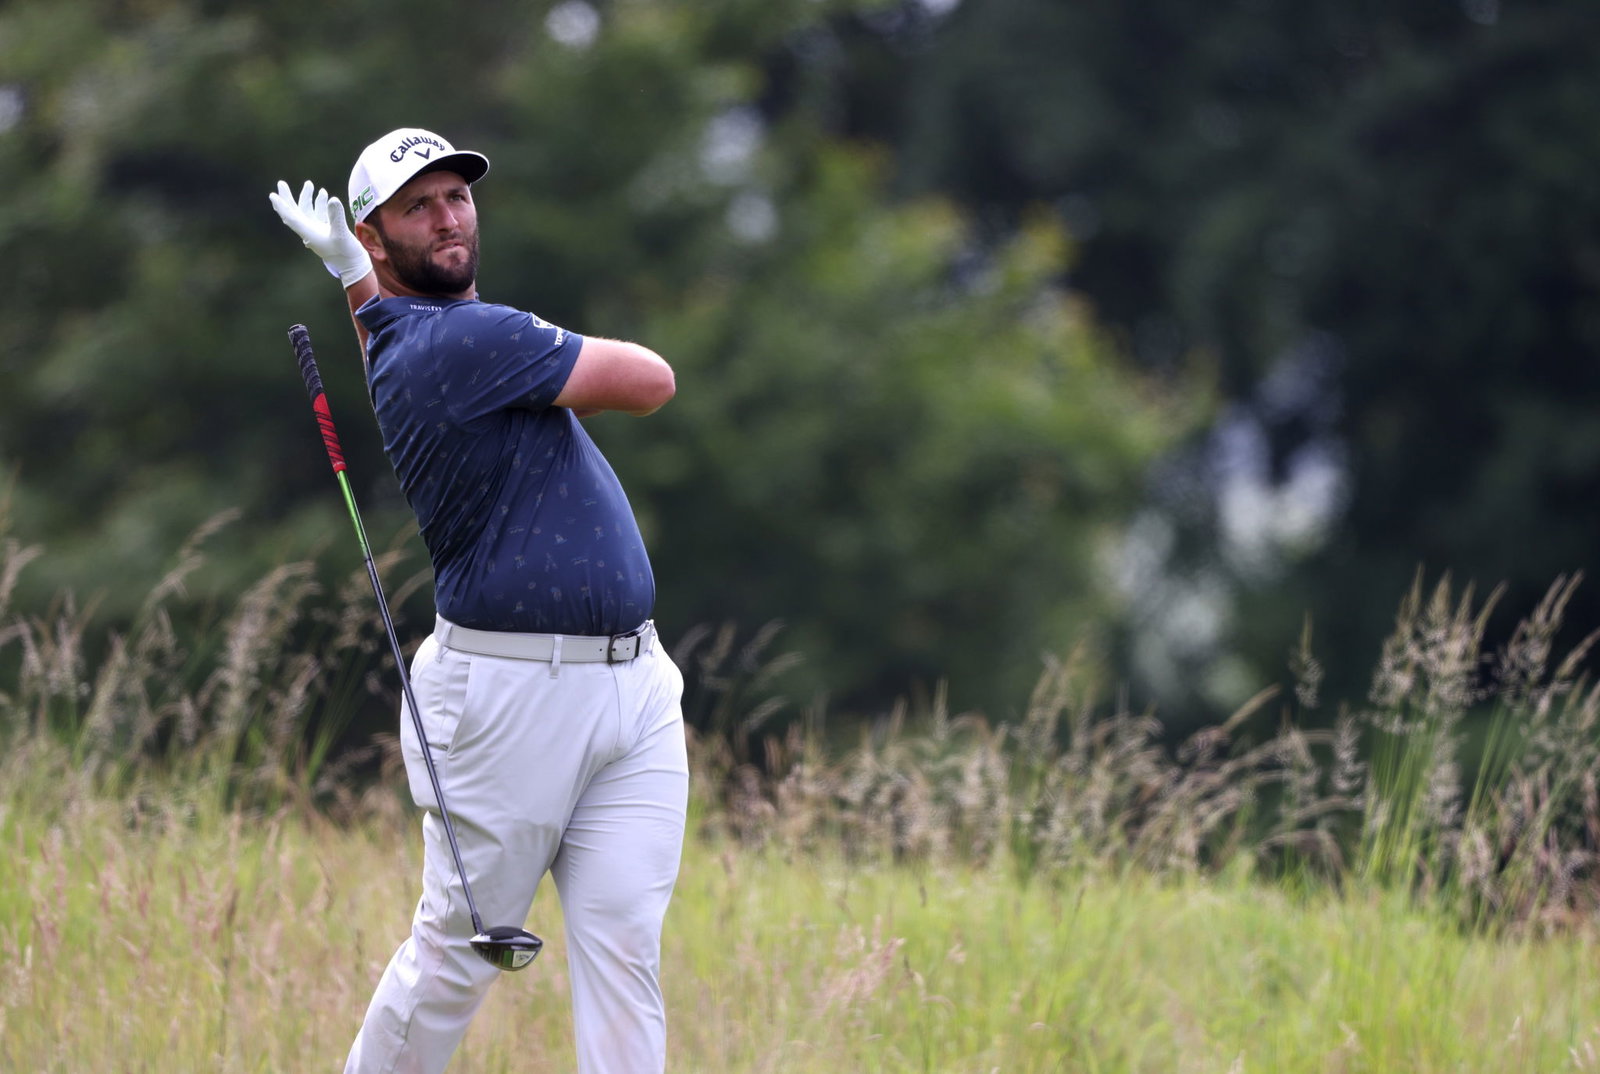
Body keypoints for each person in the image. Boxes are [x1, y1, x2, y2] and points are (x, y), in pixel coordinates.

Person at [269, 127, 688, 1074]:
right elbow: (653, 380)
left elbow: (387, 328)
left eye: (457, 195)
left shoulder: (400, 333)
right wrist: (534, 342)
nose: (450, 215)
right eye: (418, 206)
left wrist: (352, 284)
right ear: (376, 235)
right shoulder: (472, 338)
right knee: (459, 955)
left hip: (636, 692)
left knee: (627, 955)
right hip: (511, 699)